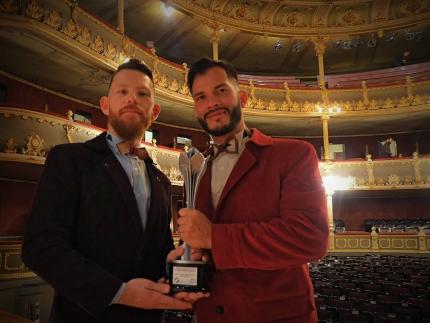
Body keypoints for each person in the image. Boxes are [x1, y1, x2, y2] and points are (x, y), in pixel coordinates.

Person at [22, 59, 204, 323]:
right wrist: (120, 293)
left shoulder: (160, 179)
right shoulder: (70, 159)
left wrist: (174, 262)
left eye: (142, 94)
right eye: (123, 91)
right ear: (105, 105)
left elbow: (157, 250)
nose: (132, 98)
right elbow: (40, 247)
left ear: (154, 112)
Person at [169, 58, 329, 323]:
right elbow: (202, 244)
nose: (212, 103)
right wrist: (188, 256)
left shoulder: (294, 154)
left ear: (241, 96)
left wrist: (213, 238)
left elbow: (310, 237)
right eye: (201, 97)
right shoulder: (196, 169)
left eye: (221, 90)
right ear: (196, 108)